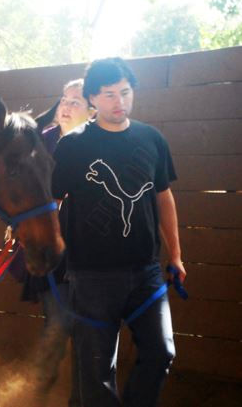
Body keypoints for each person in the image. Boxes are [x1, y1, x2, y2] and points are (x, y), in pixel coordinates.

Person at [51, 57, 186, 407]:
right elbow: (55, 201)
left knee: (161, 352)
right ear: (92, 99)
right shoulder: (73, 145)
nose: (119, 102)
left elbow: (163, 196)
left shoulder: (151, 139)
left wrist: (175, 254)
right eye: (109, 94)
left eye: (125, 92)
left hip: (146, 271)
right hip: (92, 275)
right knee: (96, 372)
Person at [9, 79, 93, 406]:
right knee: (58, 326)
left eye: (75, 102)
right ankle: (38, 397)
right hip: (52, 250)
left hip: (89, 252)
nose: (65, 107)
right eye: (64, 99)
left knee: (88, 333)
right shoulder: (41, 142)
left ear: (91, 111)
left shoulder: (97, 145)